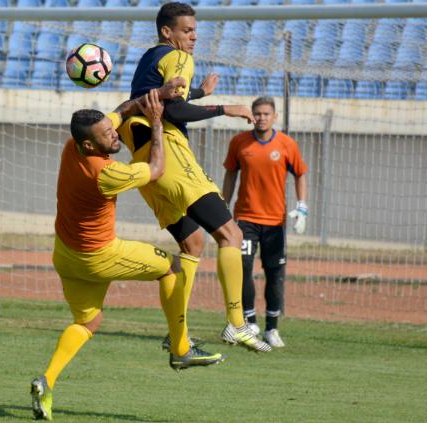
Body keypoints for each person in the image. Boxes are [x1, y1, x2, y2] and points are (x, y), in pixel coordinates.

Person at [30, 86, 224, 421]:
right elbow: (157, 169)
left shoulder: (71, 146)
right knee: (172, 268)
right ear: (90, 145)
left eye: (110, 127)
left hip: (66, 255)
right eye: (107, 134)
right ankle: (180, 349)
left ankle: (46, 382)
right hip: (100, 255)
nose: (113, 132)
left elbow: (120, 111)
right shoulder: (107, 173)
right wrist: (157, 124)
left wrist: (151, 96)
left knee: (88, 321)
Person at [117, 1, 271, 353]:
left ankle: (178, 334)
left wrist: (200, 92)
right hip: (168, 154)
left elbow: (153, 97)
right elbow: (173, 108)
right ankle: (237, 324)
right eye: (187, 31)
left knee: (193, 244)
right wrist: (225, 108)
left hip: (145, 162)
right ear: (167, 32)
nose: (194, 37)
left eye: (195, 31)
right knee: (230, 234)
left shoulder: (149, 58)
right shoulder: (179, 58)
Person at [222, 96, 309, 348]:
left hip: (275, 222)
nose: (261, 118)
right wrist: (222, 208)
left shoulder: (286, 144)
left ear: (274, 117)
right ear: (252, 116)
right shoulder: (239, 142)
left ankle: (272, 328)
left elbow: (301, 174)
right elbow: (230, 175)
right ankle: (249, 323)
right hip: (245, 219)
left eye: (265, 114)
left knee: (274, 274)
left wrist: (302, 207)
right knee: (243, 269)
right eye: (257, 114)